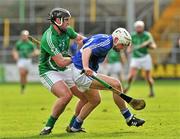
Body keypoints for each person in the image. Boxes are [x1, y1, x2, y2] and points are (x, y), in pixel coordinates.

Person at [67, 28, 145, 132]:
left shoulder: (103, 38)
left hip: (79, 71)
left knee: (94, 101)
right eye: (122, 44)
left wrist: (77, 57)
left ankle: (75, 126)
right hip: (82, 73)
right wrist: (85, 66)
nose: (122, 48)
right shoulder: (105, 44)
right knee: (116, 84)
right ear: (116, 39)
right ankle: (129, 118)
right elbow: (86, 50)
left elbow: (82, 42)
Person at [38, 8, 88, 135]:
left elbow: (82, 40)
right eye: (66, 20)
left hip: (65, 69)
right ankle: (48, 126)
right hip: (49, 71)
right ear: (57, 21)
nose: (68, 23)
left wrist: (88, 48)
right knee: (66, 96)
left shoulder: (68, 30)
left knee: (85, 97)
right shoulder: (48, 38)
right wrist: (77, 57)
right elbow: (60, 62)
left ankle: (73, 125)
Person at [125, 21, 157, 97]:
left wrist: (148, 45)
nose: (138, 28)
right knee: (131, 76)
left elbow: (154, 46)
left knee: (148, 78)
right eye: (137, 27)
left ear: (143, 28)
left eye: (140, 27)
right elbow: (129, 46)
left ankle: (151, 91)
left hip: (145, 57)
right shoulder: (132, 35)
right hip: (135, 58)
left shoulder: (147, 35)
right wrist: (129, 50)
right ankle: (127, 87)